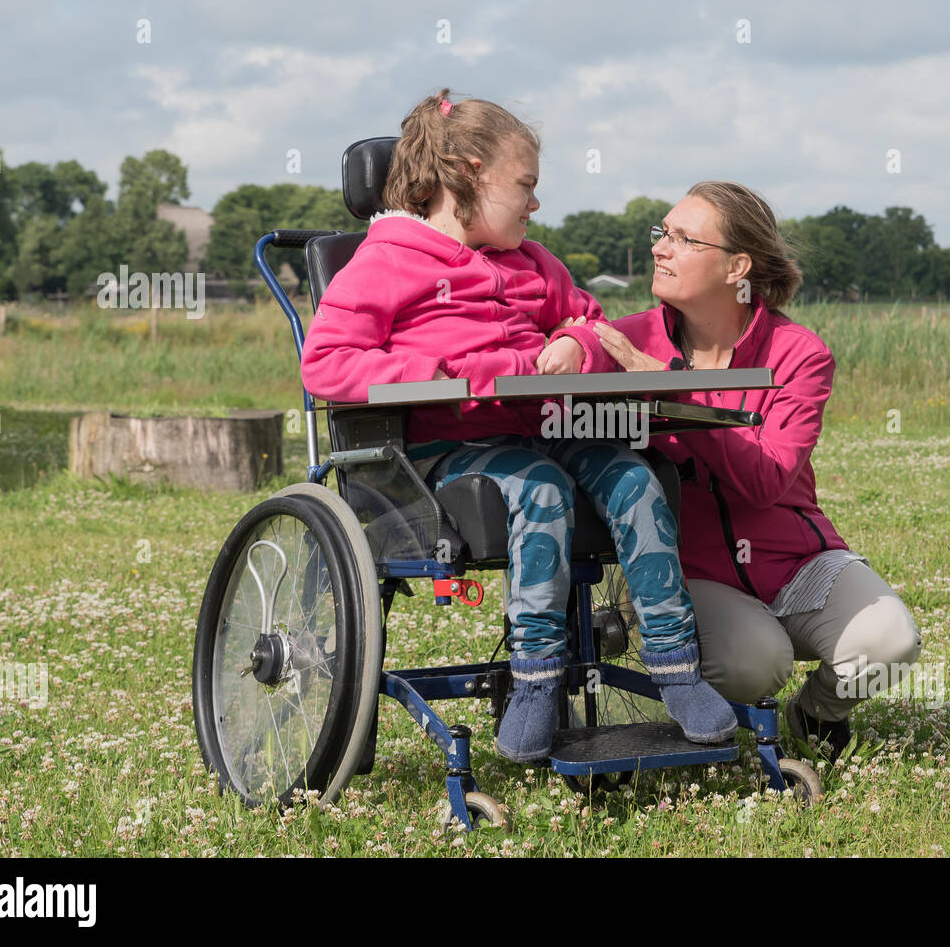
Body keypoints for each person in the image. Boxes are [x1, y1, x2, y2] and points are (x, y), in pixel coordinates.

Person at [300, 90, 736, 762]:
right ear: (469, 174)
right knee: (539, 487)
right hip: (447, 451)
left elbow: (590, 320)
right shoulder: (387, 263)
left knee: (635, 477)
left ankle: (677, 669)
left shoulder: (533, 262)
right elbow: (327, 364)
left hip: (553, 427)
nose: (535, 204)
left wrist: (576, 347)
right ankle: (535, 680)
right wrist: (454, 368)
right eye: (526, 185)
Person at [597, 181, 922, 764]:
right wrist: (572, 341)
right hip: (691, 573)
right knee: (756, 665)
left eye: (682, 239)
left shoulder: (799, 353)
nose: (660, 249)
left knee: (890, 643)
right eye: (660, 233)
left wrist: (677, 392)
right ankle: (694, 699)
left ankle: (816, 713)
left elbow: (767, 480)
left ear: (737, 266)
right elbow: (579, 334)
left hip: (796, 559)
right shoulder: (632, 337)